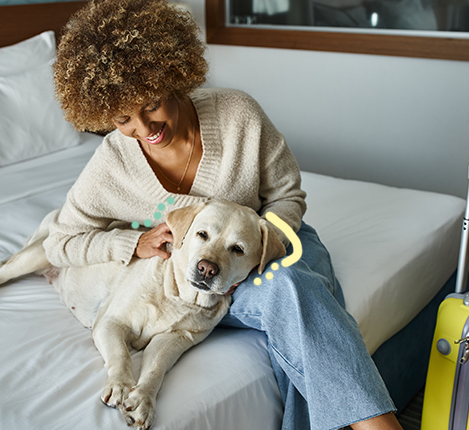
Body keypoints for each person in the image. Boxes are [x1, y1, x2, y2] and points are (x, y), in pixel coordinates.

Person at [46, 0, 404, 429]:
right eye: (123, 118)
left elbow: (287, 195)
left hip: (270, 239)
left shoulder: (239, 114)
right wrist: (131, 242)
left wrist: (258, 249)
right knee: (292, 297)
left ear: (170, 73)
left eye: (152, 103)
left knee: (289, 285)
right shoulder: (113, 165)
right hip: (200, 278)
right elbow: (59, 241)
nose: (145, 128)